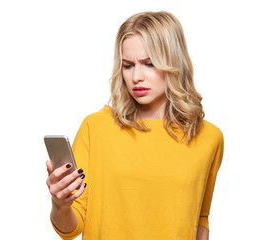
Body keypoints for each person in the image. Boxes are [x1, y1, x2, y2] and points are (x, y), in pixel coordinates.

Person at [45, 11, 224, 240]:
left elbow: (200, 218)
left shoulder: (209, 137)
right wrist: (60, 205)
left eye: (149, 63)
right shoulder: (96, 128)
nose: (136, 76)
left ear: (173, 63)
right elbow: (72, 227)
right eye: (128, 65)